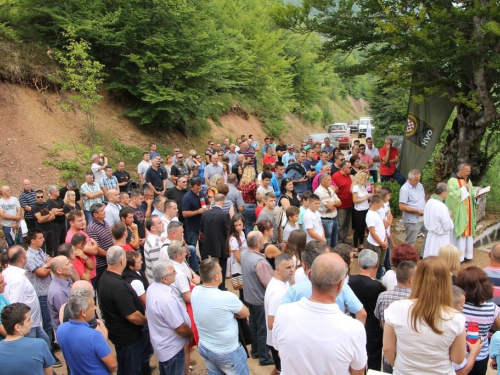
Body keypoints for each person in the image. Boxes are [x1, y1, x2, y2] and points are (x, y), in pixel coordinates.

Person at [274, 252, 367, 374]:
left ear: (310, 276)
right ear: (340, 285)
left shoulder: (283, 313)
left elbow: (281, 351)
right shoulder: (354, 329)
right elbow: (358, 372)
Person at [383, 256, 466, 374]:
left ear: (417, 278)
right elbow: (458, 359)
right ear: (446, 281)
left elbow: (387, 349)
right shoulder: (456, 318)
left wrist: (398, 366)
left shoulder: (396, 308)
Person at [192, 258, 250, 375]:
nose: (222, 272)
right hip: (227, 351)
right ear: (216, 277)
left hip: (206, 346)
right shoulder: (226, 297)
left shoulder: (195, 292)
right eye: (220, 270)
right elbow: (245, 313)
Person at [2, 246, 57, 365]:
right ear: (23, 259)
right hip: (26, 326)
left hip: (33, 323)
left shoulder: (8, 272)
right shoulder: (18, 279)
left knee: (45, 342)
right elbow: (15, 304)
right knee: (35, 354)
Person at [97, 246, 147, 375]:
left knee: (125, 367)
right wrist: (146, 321)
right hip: (127, 337)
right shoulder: (116, 285)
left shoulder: (106, 277)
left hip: (120, 334)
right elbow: (132, 315)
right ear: (121, 261)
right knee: (131, 369)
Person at [147, 260, 193, 375]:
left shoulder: (152, 288)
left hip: (164, 345)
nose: (176, 274)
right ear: (165, 279)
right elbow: (180, 328)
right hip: (173, 349)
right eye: (173, 273)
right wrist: (190, 335)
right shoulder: (165, 299)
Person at [57, 289, 117, 374]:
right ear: (83, 312)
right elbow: (113, 365)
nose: (95, 308)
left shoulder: (61, 329)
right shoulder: (94, 336)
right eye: (92, 306)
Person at [455, 266, 500, 374]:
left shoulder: (456, 307)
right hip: (481, 355)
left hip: (457, 355)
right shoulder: (492, 308)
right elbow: (497, 327)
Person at [25, 229, 58, 363]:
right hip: (41, 294)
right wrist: (49, 264)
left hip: (47, 291)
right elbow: (42, 272)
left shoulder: (39, 251)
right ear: (32, 240)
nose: (43, 240)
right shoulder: (29, 256)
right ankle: (49, 354)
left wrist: (47, 265)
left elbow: (50, 263)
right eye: (40, 238)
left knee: (51, 321)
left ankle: (52, 345)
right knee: (48, 324)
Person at [241, 231, 275, 366]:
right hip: (260, 299)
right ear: (257, 244)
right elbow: (269, 284)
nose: (263, 242)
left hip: (250, 297)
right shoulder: (260, 262)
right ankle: (264, 356)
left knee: (254, 326)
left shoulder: (244, 254)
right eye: (262, 240)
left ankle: (255, 351)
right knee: (262, 329)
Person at [349, 249, 386, 370]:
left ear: (358, 263)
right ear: (375, 265)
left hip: (353, 322)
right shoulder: (378, 286)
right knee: (374, 359)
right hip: (373, 327)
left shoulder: (349, 281)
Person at [0, 303, 55, 374]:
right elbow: (49, 372)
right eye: (28, 320)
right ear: (18, 327)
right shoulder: (39, 344)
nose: (32, 321)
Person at [264, 253, 295, 375]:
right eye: (288, 268)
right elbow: (271, 323)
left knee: (278, 369)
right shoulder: (278, 292)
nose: (292, 270)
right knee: (282, 370)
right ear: (277, 269)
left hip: (278, 341)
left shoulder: (283, 282)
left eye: (293, 266)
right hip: (278, 342)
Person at [446, 163, 476, 262]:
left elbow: (470, 195)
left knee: (468, 235)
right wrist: (464, 189)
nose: (469, 174)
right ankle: (458, 257)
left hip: (469, 212)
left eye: (469, 172)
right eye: (467, 171)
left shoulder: (468, 181)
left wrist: (476, 197)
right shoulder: (452, 181)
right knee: (460, 233)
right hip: (460, 212)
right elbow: (451, 196)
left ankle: (467, 255)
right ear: (461, 170)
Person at [200, 194, 230, 287]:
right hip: (221, 245)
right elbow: (227, 232)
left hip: (209, 245)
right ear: (223, 202)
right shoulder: (224, 214)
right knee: (222, 267)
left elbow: (202, 228)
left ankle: (212, 284)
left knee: (213, 266)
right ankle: (221, 286)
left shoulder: (205, 213)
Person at [399, 169, 427, 257]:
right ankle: (407, 259)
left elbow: (423, 199)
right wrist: (416, 211)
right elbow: (402, 206)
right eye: (416, 180)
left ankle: (424, 253)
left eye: (419, 179)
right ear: (409, 179)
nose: (418, 181)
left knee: (430, 233)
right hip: (412, 219)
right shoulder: (404, 189)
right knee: (411, 241)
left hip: (423, 217)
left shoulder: (420, 186)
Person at [86, 203, 114, 289]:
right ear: (95, 214)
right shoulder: (92, 228)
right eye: (102, 210)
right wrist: (110, 255)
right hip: (101, 264)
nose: (104, 211)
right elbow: (96, 248)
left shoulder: (104, 222)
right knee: (103, 287)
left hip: (109, 260)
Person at [47, 256, 73, 331]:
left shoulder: (67, 280)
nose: (71, 265)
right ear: (59, 270)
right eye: (67, 264)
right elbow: (68, 316)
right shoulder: (59, 293)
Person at [365, 195, 388, 279]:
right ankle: (373, 278)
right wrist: (382, 243)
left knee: (380, 262)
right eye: (380, 203)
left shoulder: (377, 213)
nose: (382, 205)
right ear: (375, 204)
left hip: (381, 243)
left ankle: (378, 276)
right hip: (375, 244)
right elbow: (373, 233)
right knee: (374, 263)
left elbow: (381, 227)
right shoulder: (370, 215)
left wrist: (385, 240)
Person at [182, 177, 207, 252]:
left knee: (204, 248)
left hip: (202, 226)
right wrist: (197, 212)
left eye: (200, 188)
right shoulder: (187, 197)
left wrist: (206, 208)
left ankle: (204, 261)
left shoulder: (201, 194)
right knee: (191, 248)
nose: (199, 190)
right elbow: (184, 213)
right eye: (197, 188)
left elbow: (207, 204)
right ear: (191, 187)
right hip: (192, 227)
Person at [332, 160, 353, 244]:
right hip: (341, 205)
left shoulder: (348, 176)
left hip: (349, 204)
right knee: (340, 224)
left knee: (347, 224)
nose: (351, 169)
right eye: (349, 167)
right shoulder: (335, 176)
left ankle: (344, 239)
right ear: (344, 168)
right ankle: (339, 242)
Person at [351, 171, 372, 252]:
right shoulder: (355, 187)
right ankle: (355, 245)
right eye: (365, 178)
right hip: (358, 210)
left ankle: (361, 243)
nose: (367, 180)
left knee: (363, 227)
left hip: (365, 208)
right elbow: (355, 200)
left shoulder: (364, 186)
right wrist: (366, 197)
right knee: (358, 228)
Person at [31, 190, 56, 256]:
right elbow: (40, 219)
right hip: (41, 230)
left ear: (43, 196)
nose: (40, 198)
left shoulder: (46, 204)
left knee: (50, 246)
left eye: (41, 197)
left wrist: (44, 219)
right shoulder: (34, 207)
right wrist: (48, 215)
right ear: (35, 197)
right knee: (42, 247)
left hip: (50, 228)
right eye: (38, 197)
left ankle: (49, 258)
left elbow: (53, 216)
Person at [227, 214, 247, 299]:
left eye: (240, 225)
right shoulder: (233, 239)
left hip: (243, 265)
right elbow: (238, 257)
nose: (238, 227)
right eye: (236, 225)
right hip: (239, 268)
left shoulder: (242, 233)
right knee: (243, 293)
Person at [238, 166, 258, 234]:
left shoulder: (241, 183)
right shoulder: (252, 184)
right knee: (250, 225)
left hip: (243, 205)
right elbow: (256, 196)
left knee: (245, 225)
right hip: (251, 206)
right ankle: (249, 240)